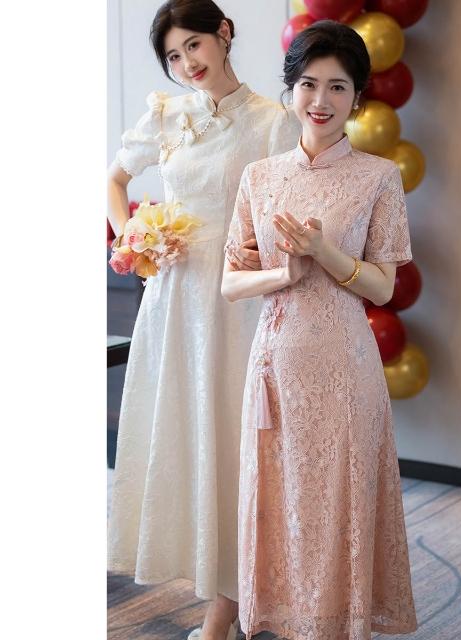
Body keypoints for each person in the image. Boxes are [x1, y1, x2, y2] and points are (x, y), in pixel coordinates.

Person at [106, 2, 299, 639]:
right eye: (173, 55)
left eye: (194, 45)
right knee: (185, 438)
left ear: (224, 33)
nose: (186, 63)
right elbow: (114, 179)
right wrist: (135, 236)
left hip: (237, 301)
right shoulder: (166, 114)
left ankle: (229, 607)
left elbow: (285, 215)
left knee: (237, 444)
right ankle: (220, 590)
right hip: (173, 300)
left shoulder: (272, 122)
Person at [221, 20, 418, 640]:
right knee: (279, 499)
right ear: (291, 90)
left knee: (339, 500)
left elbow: (383, 289)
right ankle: (285, 622)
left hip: (343, 364)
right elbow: (230, 283)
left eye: (337, 87)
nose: (321, 100)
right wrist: (284, 273)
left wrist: (324, 254)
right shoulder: (259, 176)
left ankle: (338, 626)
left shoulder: (379, 176)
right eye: (309, 84)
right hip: (275, 363)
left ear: (357, 97)